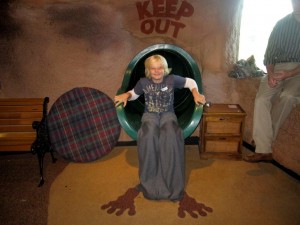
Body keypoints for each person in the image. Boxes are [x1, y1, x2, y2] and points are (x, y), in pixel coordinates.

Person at [114, 54, 206, 200]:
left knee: (170, 134)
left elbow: (190, 82)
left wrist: (196, 94)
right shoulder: (143, 82)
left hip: (168, 115)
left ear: (165, 69)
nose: (157, 72)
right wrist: (126, 95)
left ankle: (172, 184)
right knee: (149, 135)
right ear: (148, 70)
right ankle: (150, 185)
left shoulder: (172, 79)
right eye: (153, 69)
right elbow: (134, 94)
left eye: (160, 68)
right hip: (150, 116)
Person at [243, 0, 300, 163]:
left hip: (298, 71)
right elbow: (270, 54)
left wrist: (290, 73)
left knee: (288, 97)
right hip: (277, 68)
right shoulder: (282, 24)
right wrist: (270, 74)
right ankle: (264, 150)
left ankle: (263, 143)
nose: (296, 4)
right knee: (261, 99)